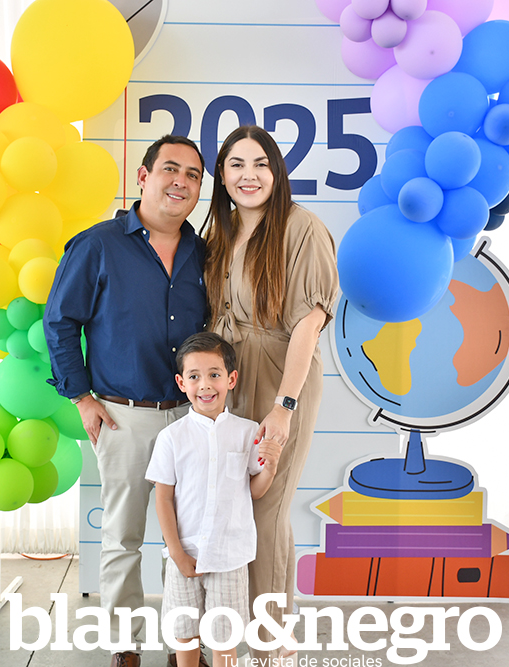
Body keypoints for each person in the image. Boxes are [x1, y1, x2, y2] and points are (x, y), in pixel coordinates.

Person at [43, 135, 207, 667]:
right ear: (143, 176)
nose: (181, 181)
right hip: (124, 416)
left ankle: (186, 644)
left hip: (191, 418)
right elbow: (59, 322)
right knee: (123, 537)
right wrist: (80, 396)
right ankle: (125, 646)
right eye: (170, 169)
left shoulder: (204, 253)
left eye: (193, 175)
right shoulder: (98, 245)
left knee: (188, 539)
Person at [200, 126, 339, 663]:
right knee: (237, 511)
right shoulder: (222, 232)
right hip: (231, 379)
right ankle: (251, 639)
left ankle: (271, 645)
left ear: (277, 171)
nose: (249, 175)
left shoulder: (302, 228)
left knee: (267, 511)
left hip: (283, 376)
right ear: (222, 175)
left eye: (260, 163)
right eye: (236, 165)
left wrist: (284, 407)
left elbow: (309, 324)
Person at [146, 332, 281, 667]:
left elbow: (254, 491)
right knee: (185, 634)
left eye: (214, 375)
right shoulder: (171, 437)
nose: (205, 385)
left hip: (229, 555)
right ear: (181, 383)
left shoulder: (248, 432)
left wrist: (270, 468)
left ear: (231, 379)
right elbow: (163, 498)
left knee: (224, 636)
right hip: (185, 553)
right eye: (194, 376)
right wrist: (176, 552)